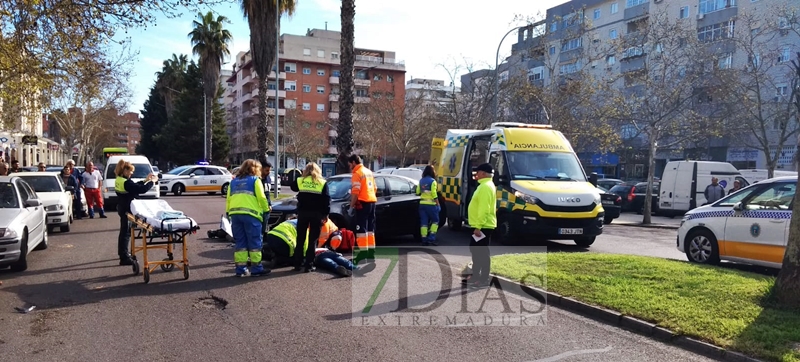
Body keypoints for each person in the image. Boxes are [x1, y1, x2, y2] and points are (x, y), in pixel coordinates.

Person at [226, 159, 271, 277]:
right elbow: (261, 198)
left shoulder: (233, 182)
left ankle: (241, 269)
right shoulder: (255, 180)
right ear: (255, 169)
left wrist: (228, 212)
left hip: (235, 214)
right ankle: (256, 268)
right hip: (251, 215)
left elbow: (229, 199)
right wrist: (266, 210)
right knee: (255, 242)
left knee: (240, 242)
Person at [115, 159, 158, 266]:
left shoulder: (120, 179)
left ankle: (123, 254)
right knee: (125, 234)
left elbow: (134, 186)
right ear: (125, 170)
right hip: (127, 210)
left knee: (124, 233)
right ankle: (124, 257)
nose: (132, 173)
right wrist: (152, 182)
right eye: (131, 171)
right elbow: (141, 190)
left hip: (122, 207)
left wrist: (145, 180)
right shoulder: (126, 182)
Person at [290, 162, 330, 272]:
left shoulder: (300, 181)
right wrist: (326, 214)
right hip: (317, 214)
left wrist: (302, 176)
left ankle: (297, 264)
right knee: (313, 240)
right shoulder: (322, 183)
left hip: (303, 213)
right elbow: (326, 200)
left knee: (300, 239)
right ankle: (309, 265)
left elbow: (292, 186)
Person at [462, 163, 497, 289]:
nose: (476, 174)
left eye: (477, 172)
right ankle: (476, 276)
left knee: (481, 252)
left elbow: (484, 209)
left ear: (483, 173)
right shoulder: (484, 185)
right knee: (476, 251)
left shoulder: (485, 187)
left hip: (483, 226)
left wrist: (478, 226)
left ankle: (483, 279)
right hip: (481, 225)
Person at [348, 154, 378, 266]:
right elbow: (375, 188)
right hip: (372, 202)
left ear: (354, 162)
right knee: (370, 230)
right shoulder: (369, 172)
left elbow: (355, 193)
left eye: (350, 164)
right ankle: (371, 254)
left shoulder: (357, 173)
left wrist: (351, 206)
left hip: (362, 203)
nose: (349, 166)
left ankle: (362, 254)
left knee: (361, 230)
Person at [416, 165, 440, 246]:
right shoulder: (433, 181)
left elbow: (417, 191)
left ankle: (424, 239)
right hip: (431, 205)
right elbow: (434, 193)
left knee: (424, 222)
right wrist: (437, 203)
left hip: (422, 205)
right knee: (435, 221)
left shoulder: (421, 181)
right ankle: (431, 238)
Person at [260, 161, 274, 233]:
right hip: (258, 207)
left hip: (266, 208)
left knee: (264, 228)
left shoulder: (268, 179)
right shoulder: (257, 179)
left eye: (269, 171)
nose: (268, 172)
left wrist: (269, 204)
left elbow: (267, 193)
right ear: (261, 169)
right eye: (267, 170)